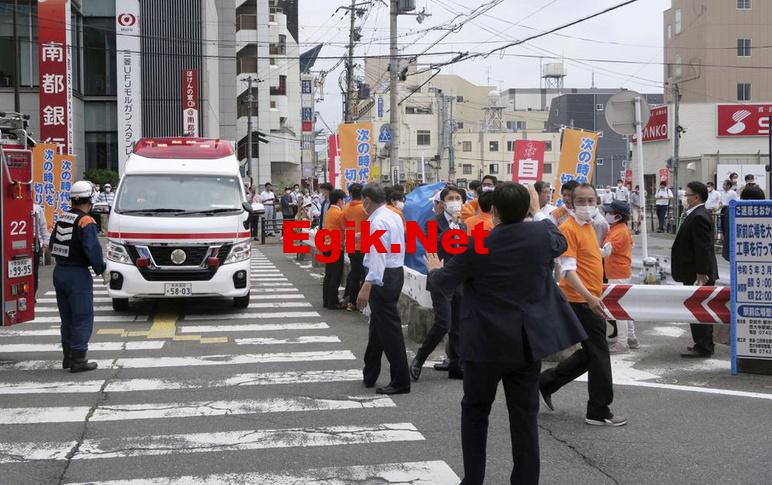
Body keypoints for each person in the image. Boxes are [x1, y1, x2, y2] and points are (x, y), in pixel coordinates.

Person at [424, 182, 586, 485]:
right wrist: (537, 212)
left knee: (475, 412)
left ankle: (473, 480)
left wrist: (434, 269)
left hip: (483, 344)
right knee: (524, 417)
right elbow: (559, 240)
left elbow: (441, 284)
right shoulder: (541, 236)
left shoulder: (478, 245)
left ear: (493, 210)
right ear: (527, 208)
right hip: (525, 343)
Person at [539, 183, 627, 427]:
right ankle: (598, 410)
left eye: (591, 200)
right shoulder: (568, 228)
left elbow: (586, 256)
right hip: (580, 300)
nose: (586, 205)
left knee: (591, 354)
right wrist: (589, 297)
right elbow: (567, 271)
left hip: (588, 298)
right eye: (581, 201)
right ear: (571, 202)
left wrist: (601, 254)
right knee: (599, 355)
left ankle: (546, 381)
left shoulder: (588, 225)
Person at [356, 184, 410, 395]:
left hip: (382, 276)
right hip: (395, 272)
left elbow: (378, 255)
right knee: (379, 326)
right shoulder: (393, 215)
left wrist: (367, 284)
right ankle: (370, 373)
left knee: (389, 331)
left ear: (367, 200)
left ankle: (401, 380)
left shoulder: (377, 221)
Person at [410, 186, 467, 381]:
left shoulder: (463, 225)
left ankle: (456, 365)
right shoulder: (433, 223)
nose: (455, 201)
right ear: (442, 203)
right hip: (440, 278)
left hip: (459, 279)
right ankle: (419, 358)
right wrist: (451, 228)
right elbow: (431, 245)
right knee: (444, 322)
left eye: (458, 198)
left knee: (458, 325)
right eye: (451, 198)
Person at [50, 181, 107, 373]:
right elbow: (92, 250)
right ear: (90, 200)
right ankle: (79, 359)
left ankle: (68, 357)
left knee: (67, 318)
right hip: (77, 275)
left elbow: (52, 245)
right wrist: (101, 269)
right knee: (82, 317)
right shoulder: (86, 221)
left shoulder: (62, 218)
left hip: (60, 272)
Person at [672, 181, 719, 358]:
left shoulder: (699, 216)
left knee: (699, 308)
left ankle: (704, 346)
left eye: (687, 194)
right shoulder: (694, 214)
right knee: (695, 308)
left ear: (696, 197)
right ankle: (701, 343)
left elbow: (703, 247)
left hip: (698, 273)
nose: (685, 197)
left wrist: (701, 273)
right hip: (693, 271)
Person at [601, 200, 637, 353]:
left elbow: (605, 252)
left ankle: (622, 343)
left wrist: (588, 248)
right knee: (624, 307)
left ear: (618, 216)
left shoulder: (618, 231)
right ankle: (631, 338)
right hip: (622, 271)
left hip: (617, 273)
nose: (607, 214)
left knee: (618, 309)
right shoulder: (621, 228)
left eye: (610, 212)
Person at [343, 183, 369, 311]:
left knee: (354, 274)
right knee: (365, 275)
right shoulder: (365, 209)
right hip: (364, 244)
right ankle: (362, 303)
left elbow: (343, 225)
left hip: (351, 244)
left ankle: (352, 302)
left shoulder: (346, 208)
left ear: (350, 194)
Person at [322, 189, 347, 310]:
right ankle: (333, 301)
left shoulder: (328, 212)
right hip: (336, 246)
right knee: (335, 275)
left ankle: (326, 300)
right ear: (339, 200)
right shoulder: (339, 214)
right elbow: (345, 228)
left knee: (329, 274)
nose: (344, 202)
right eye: (343, 200)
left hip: (327, 244)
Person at [32, 203, 49, 296]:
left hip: (35, 241)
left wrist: (45, 241)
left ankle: (32, 295)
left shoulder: (37, 208)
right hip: (19, 239)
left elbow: (43, 225)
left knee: (34, 270)